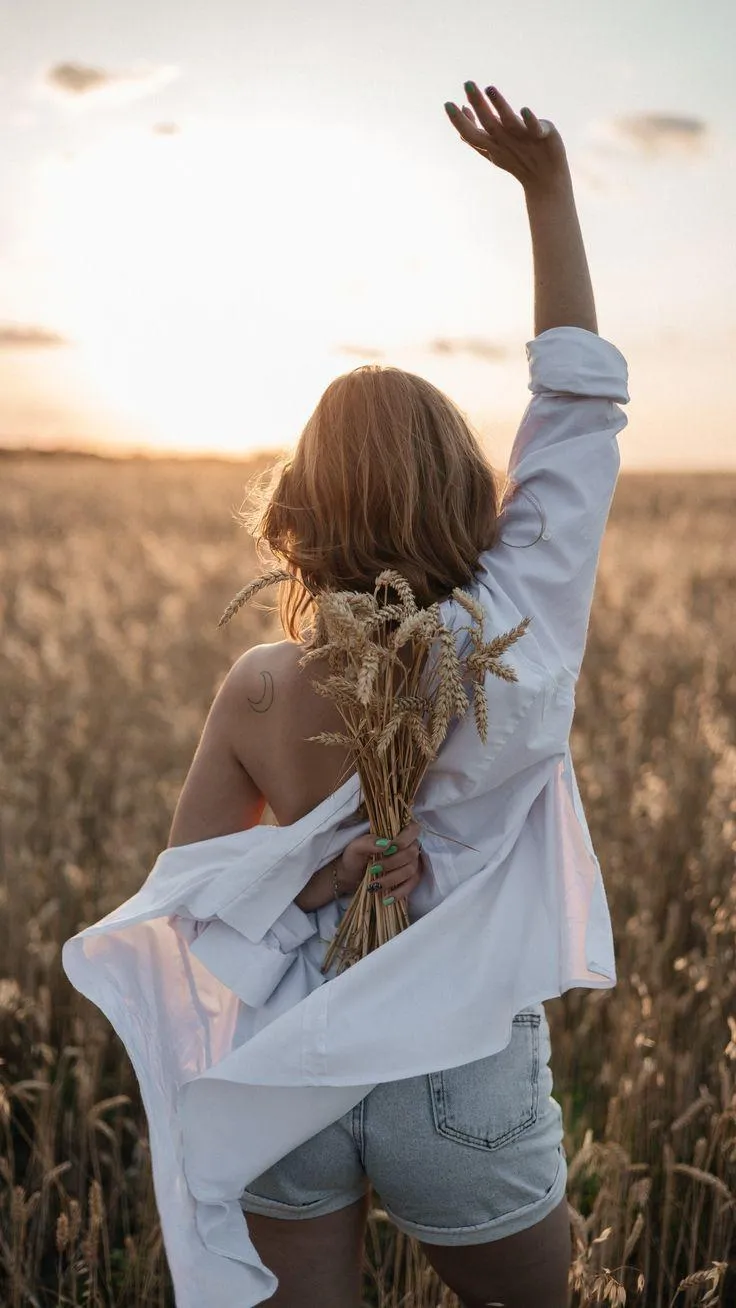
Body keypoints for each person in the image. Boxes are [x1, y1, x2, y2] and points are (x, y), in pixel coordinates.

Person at [63, 79, 629, 1308]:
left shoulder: (261, 686)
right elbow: (576, 411)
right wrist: (546, 189)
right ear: (467, 490)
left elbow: (192, 895)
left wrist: (317, 882)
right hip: (459, 1067)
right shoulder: (515, 631)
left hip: (289, 1064)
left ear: (297, 510)